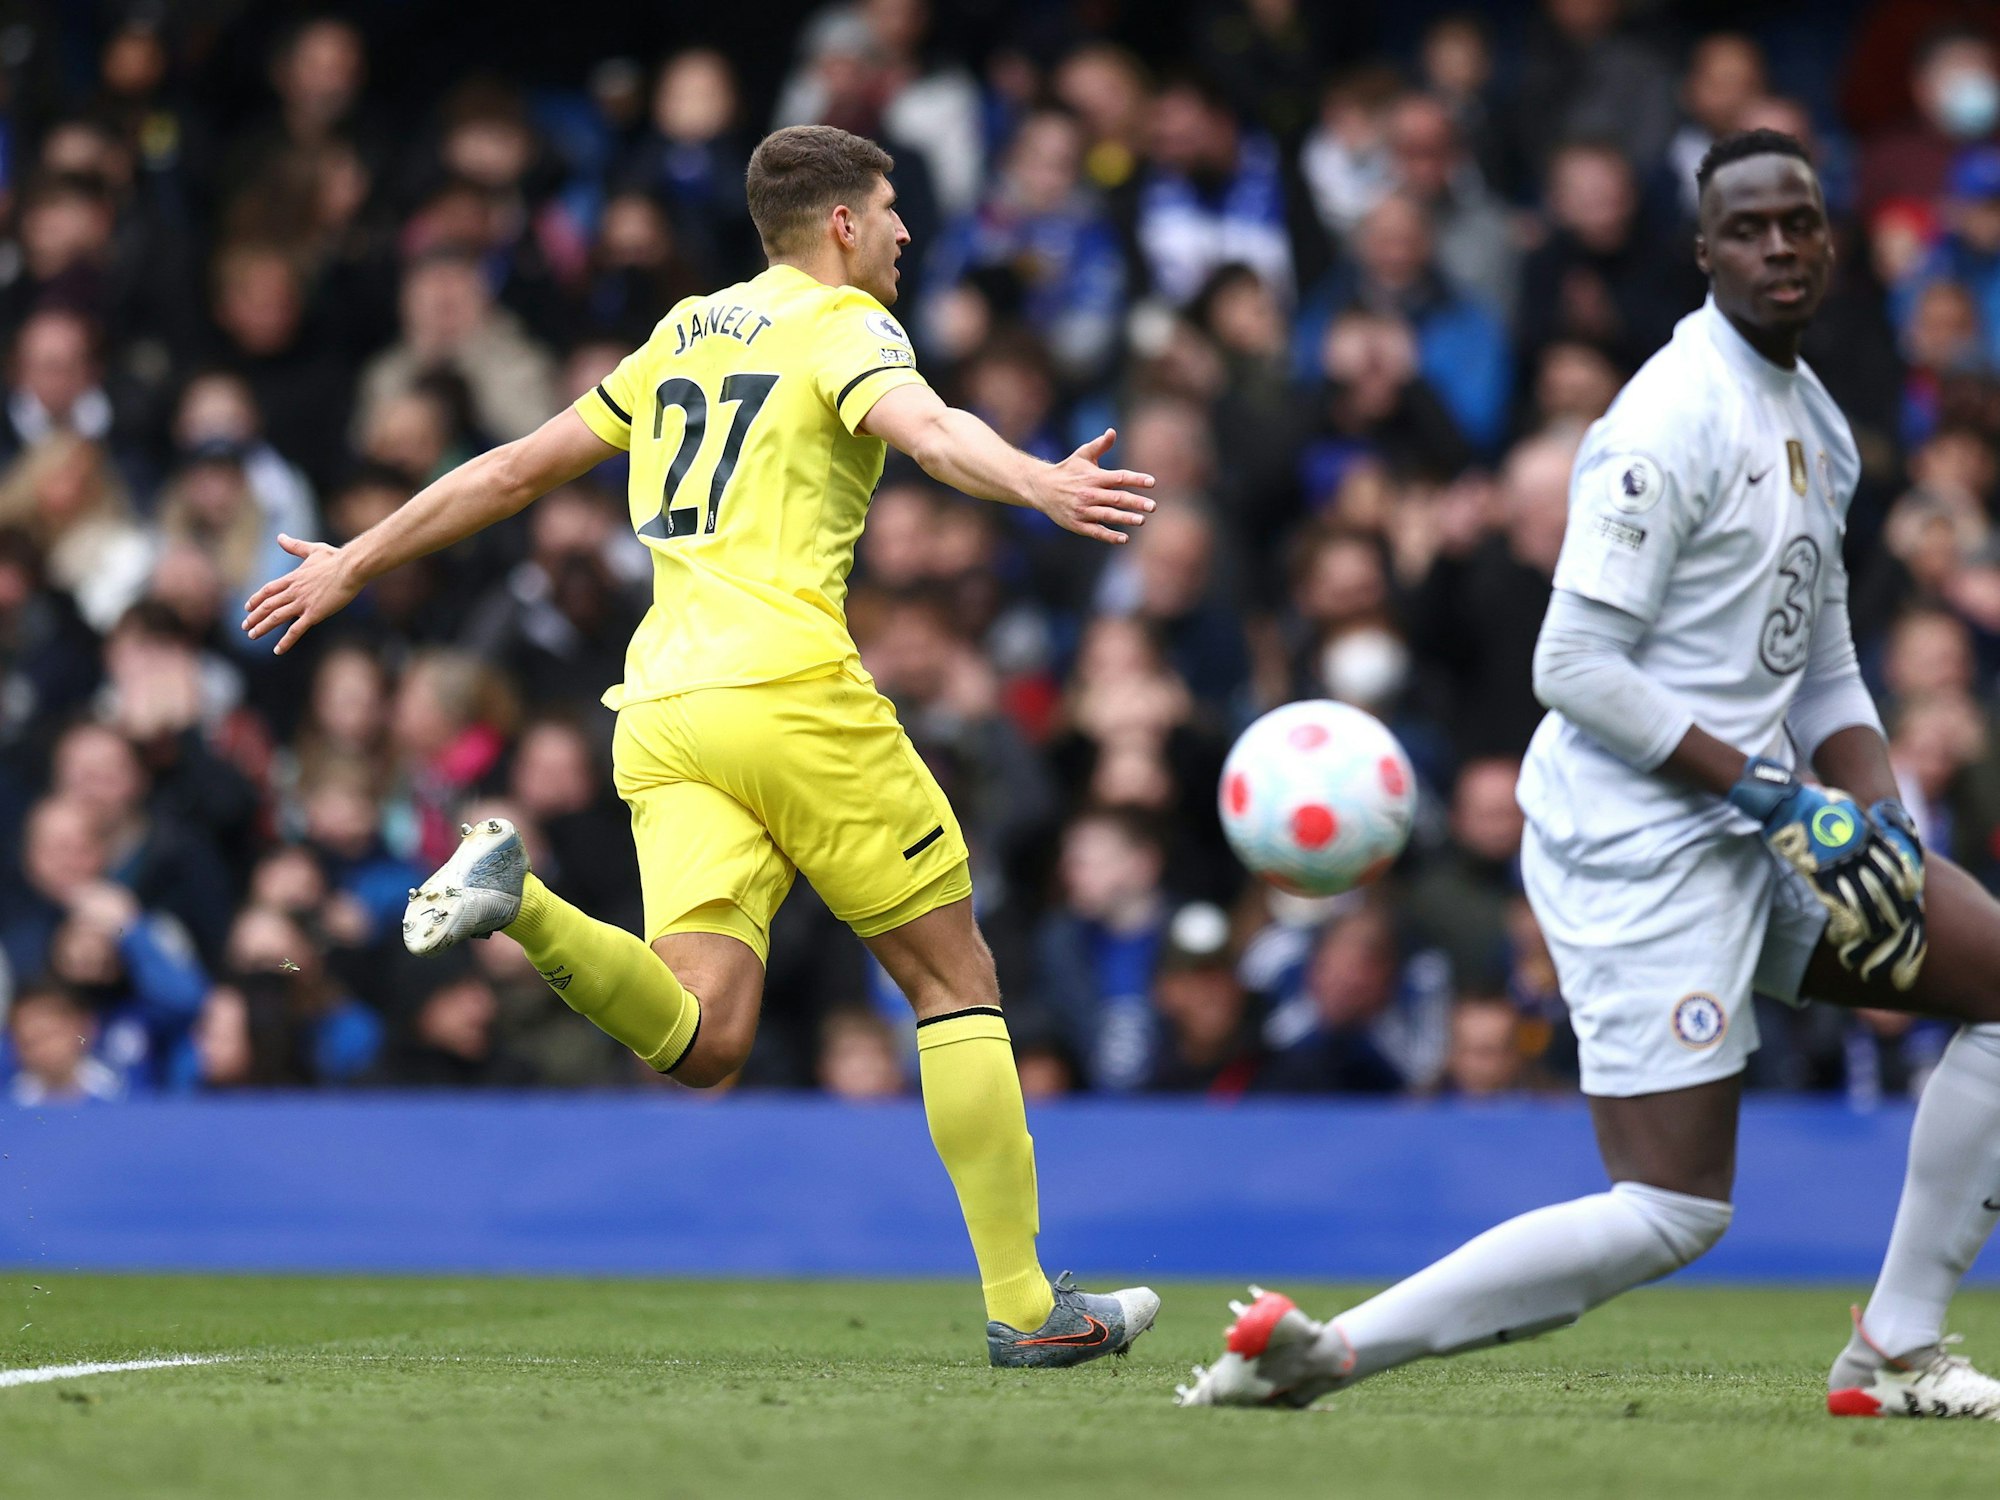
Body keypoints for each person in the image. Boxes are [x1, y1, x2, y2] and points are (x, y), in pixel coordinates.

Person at [241, 124, 1159, 1366]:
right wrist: (1039, 483)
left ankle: (520, 904)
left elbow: (516, 469)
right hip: (789, 694)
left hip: (662, 713)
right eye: (887, 211)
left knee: (704, 1035)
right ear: (838, 223)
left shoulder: (685, 329)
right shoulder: (845, 325)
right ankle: (1027, 1307)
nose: (902, 232)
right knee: (953, 983)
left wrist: (356, 557)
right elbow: (930, 431)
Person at [1179, 130, 2000, 1420]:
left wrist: (1877, 816)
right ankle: (1324, 1354)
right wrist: (1777, 798)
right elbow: (1570, 663)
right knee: (1671, 1210)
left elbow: (1825, 652)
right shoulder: (1667, 417)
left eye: (1798, 222)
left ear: (1827, 237)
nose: (1779, 247)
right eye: (1748, 229)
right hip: (1638, 837)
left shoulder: (1817, 423)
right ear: (1701, 252)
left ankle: (1895, 1345)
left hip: (1763, 822)